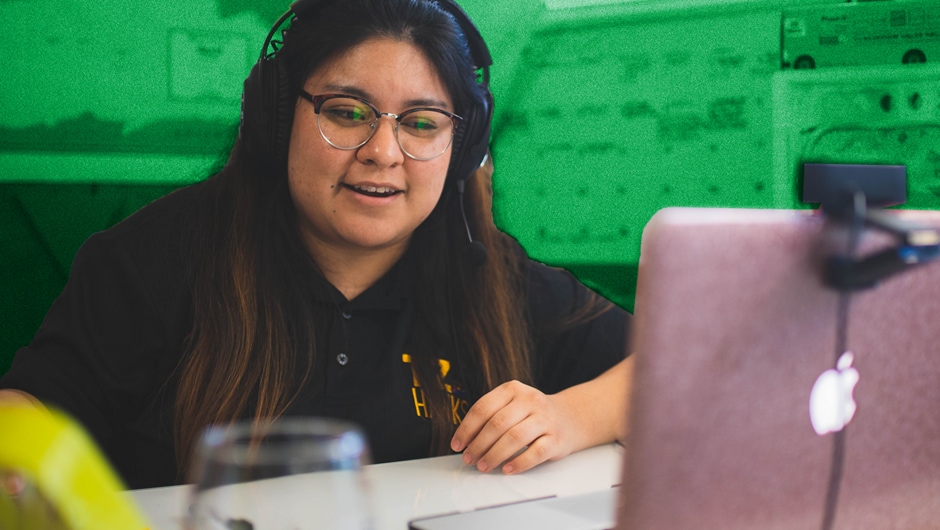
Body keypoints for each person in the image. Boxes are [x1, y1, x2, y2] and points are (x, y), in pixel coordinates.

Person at [0, 0, 632, 489]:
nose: (383, 153)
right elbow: (26, 411)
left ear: (460, 148)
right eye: (347, 112)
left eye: (421, 123)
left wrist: (573, 416)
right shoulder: (153, 259)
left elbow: (679, 368)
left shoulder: (492, 275)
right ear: (278, 117)